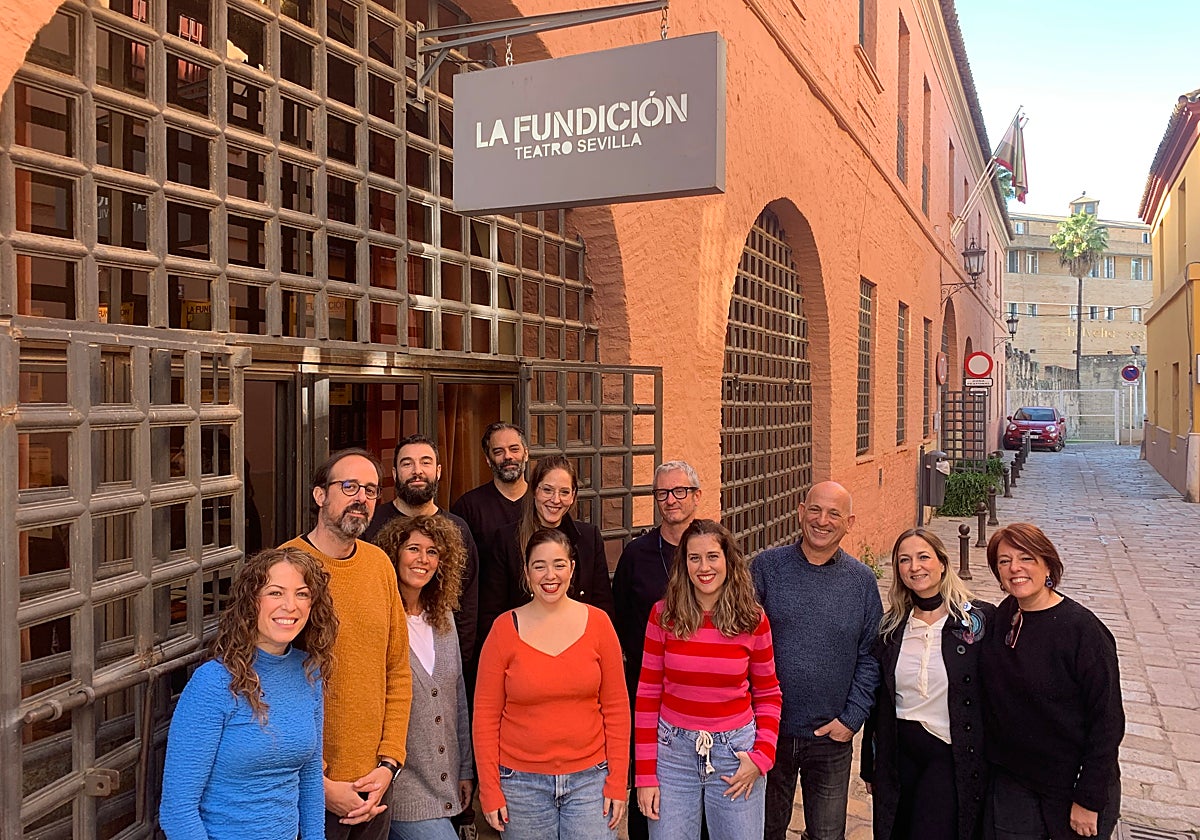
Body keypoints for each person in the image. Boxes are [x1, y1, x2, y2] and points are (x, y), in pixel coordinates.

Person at [160, 547, 337, 839]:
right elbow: (178, 809)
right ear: (251, 601)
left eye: (302, 594)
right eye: (275, 593)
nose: (290, 606)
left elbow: (310, 777)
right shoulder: (213, 682)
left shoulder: (309, 672)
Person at [282, 448, 412, 840]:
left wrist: (388, 765)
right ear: (320, 495)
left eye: (371, 490)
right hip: (305, 790)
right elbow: (267, 686)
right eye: (350, 486)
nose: (361, 498)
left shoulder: (379, 565)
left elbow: (397, 671)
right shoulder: (285, 566)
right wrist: (318, 784)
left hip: (374, 787)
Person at [473, 528, 630, 839]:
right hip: (521, 784)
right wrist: (489, 789)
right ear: (526, 571)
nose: (550, 575)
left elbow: (616, 709)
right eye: (539, 565)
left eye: (559, 564)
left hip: (591, 780)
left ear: (572, 568)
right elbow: (485, 717)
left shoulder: (599, 624)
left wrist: (617, 781)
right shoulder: (503, 630)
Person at [751, 480, 883, 840]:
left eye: (834, 514)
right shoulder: (767, 568)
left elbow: (870, 656)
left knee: (827, 834)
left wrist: (851, 719)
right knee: (764, 831)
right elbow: (741, 643)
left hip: (830, 739)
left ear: (849, 523)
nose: (822, 521)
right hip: (769, 733)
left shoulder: (861, 582)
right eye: (815, 510)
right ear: (800, 513)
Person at [635, 519, 781, 839]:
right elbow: (647, 695)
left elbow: (769, 693)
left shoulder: (752, 619)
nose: (704, 567)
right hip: (673, 756)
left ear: (728, 560)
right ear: (683, 564)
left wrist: (761, 757)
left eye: (712, 556)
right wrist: (645, 775)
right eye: (694, 558)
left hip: (736, 755)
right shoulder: (663, 616)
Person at [980, 523, 1124, 840]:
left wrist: (1089, 799)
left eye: (1026, 558)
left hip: (1070, 787)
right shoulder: (1005, 615)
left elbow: (1107, 721)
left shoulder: (1082, 631)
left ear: (1047, 564)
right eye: (1004, 561)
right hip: (1014, 783)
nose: (1015, 568)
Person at [859, 528, 994, 840]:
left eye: (923, 557)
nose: (914, 567)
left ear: (942, 563)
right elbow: (879, 702)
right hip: (897, 752)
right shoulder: (892, 628)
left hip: (947, 751)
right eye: (904, 560)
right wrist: (870, 763)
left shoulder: (977, 623)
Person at [613, 460, 704, 840]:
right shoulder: (637, 554)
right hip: (648, 687)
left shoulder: (713, 549)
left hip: (702, 692)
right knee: (647, 782)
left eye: (679, 491)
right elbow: (620, 616)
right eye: (662, 493)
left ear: (696, 496)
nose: (671, 500)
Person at [375, 514, 475, 840]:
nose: (423, 559)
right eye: (413, 549)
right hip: (400, 789)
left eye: (432, 552)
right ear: (393, 554)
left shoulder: (442, 617)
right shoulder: (380, 618)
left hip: (444, 786)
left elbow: (457, 698)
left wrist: (464, 769)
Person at [364, 433, 481, 675]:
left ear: (438, 471)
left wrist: (457, 665)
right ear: (395, 473)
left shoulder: (458, 529)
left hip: (442, 663)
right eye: (407, 463)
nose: (417, 471)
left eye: (425, 462)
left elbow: (467, 605)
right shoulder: (371, 524)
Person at [478, 455, 614, 635]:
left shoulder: (589, 538)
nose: (556, 500)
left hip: (578, 643)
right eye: (548, 490)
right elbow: (491, 613)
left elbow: (603, 606)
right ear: (534, 490)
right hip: (524, 643)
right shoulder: (506, 540)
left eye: (564, 492)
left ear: (573, 496)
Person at [450, 422, 529, 554]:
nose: (508, 456)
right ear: (488, 459)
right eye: (498, 452)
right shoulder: (468, 507)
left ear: (526, 454)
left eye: (514, 449)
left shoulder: (543, 501)